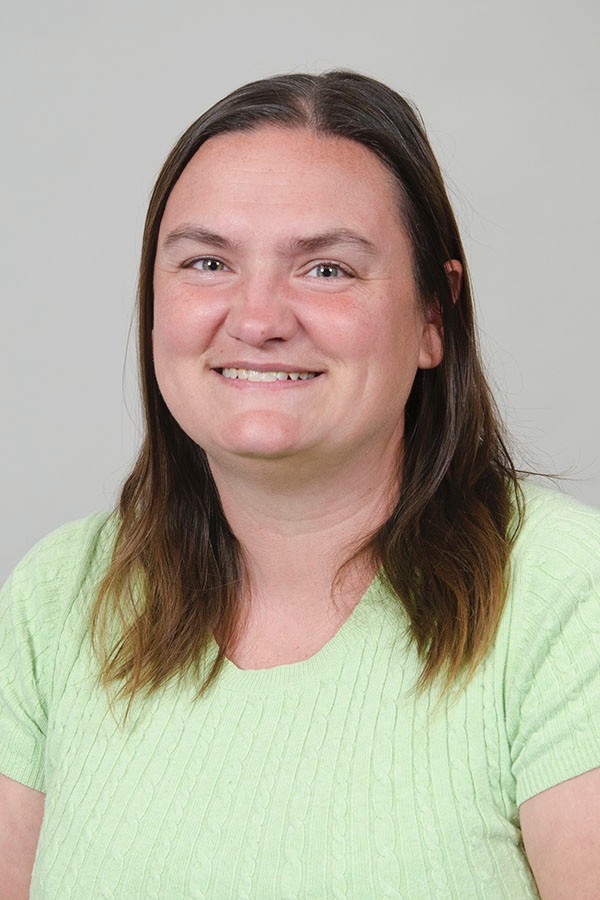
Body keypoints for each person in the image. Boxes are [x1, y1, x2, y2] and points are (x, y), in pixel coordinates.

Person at [1, 71, 599, 900]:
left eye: (326, 269)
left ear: (434, 315)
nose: (257, 320)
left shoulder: (568, 597)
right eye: (208, 262)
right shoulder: (57, 599)